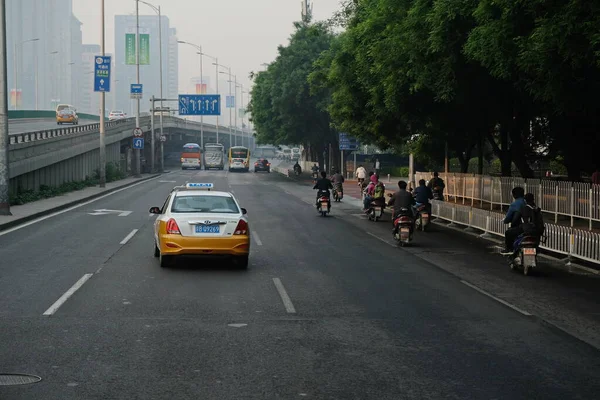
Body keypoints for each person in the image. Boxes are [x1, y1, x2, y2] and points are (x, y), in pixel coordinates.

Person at [500, 187, 527, 255]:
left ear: (514, 195)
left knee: (508, 233)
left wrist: (505, 221)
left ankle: (509, 249)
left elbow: (508, 218)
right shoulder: (526, 202)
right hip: (531, 228)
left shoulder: (514, 204)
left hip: (520, 227)